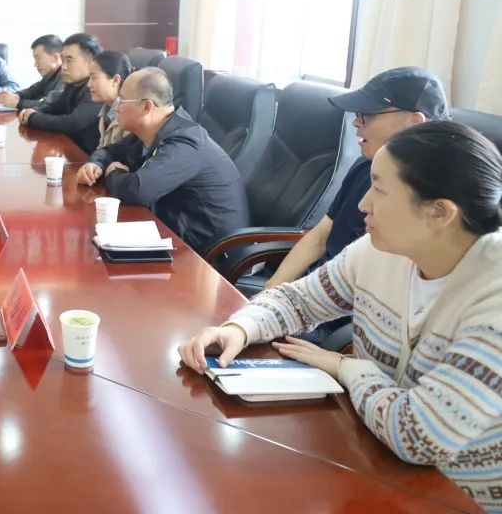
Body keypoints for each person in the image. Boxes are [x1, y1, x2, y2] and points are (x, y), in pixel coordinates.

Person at [177, 121, 502, 513]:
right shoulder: (378, 251)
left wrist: (348, 368)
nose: (363, 204)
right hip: (373, 459)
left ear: (440, 213)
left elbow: (418, 435)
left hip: (461, 496)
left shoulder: (493, 297)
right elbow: (297, 301)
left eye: (379, 189)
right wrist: (239, 328)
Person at [264, 67, 450, 291]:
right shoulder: (365, 165)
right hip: (318, 293)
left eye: (369, 114)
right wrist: (270, 290)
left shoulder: (430, 200)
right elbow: (320, 237)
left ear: (414, 122)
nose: (356, 123)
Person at [77, 68, 249, 252]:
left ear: (146, 107)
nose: (116, 106)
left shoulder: (185, 142)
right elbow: (110, 151)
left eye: (122, 100)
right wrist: (95, 164)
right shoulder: (153, 130)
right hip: (176, 230)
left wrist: (113, 172)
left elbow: (137, 190)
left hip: (211, 252)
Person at [19, 33, 104, 154]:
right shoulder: (73, 84)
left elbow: (72, 123)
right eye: (63, 60)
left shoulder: (96, 88)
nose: (63, 67)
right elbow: (55, 107)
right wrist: (34, 111)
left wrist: (33, 118)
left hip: (90, 159)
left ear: (90, 62)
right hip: (72, 153)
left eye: (69, 60)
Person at [0, 35, 64, 110]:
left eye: (38, 58)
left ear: (55, 57)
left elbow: (52, 104)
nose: (35, 64)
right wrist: (15, 96)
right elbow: (32, 91)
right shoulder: (50, 75)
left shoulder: (67, 76)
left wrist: (18, 103)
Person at [87, 50, 133, 149]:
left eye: (94, 77)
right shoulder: (106, 111)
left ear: (116, 80)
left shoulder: (130, 117)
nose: (89, 84)